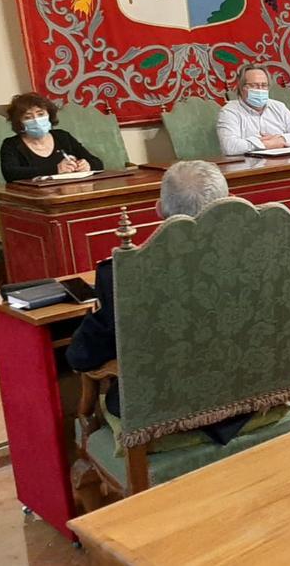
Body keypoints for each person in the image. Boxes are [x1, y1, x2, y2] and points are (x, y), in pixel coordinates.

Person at [65, 161, 254, 442]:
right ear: (230, 203)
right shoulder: (260, 258)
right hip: (251, 398)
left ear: (159, 209)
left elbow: (83, 356)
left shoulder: (125, 273)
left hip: (161, 413)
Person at [0, 93, 105, 182]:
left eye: (40, 114)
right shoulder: (11, 144)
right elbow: (10, 173)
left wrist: (87, 165)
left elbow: (97, 163)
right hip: (34, 198)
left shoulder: (62, 137)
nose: (36, 120)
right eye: (28, 117)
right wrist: (56, 169)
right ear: (19, 122)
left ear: (49, 115)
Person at [216, 64, 290, 155]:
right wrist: (267, 144)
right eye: (254, 85)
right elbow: (229, 146)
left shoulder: (279, 107)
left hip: (284, 165)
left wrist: (281, 139)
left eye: (264, 85)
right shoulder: (229, 111)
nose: (260, 89)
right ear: (242, 88)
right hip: (251, 168)